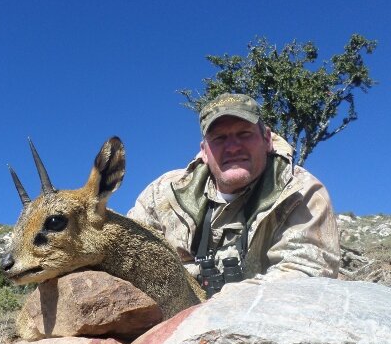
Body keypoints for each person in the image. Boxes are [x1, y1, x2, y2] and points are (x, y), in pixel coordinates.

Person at [128, 93, 340, 295]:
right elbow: (130, 258)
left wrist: (214, 306)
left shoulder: (301, 193)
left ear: (267, 139)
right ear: (203, 150)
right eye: (219, 138)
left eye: (244, 134)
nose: (232, 147)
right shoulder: (162, 194)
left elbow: (305, 275)